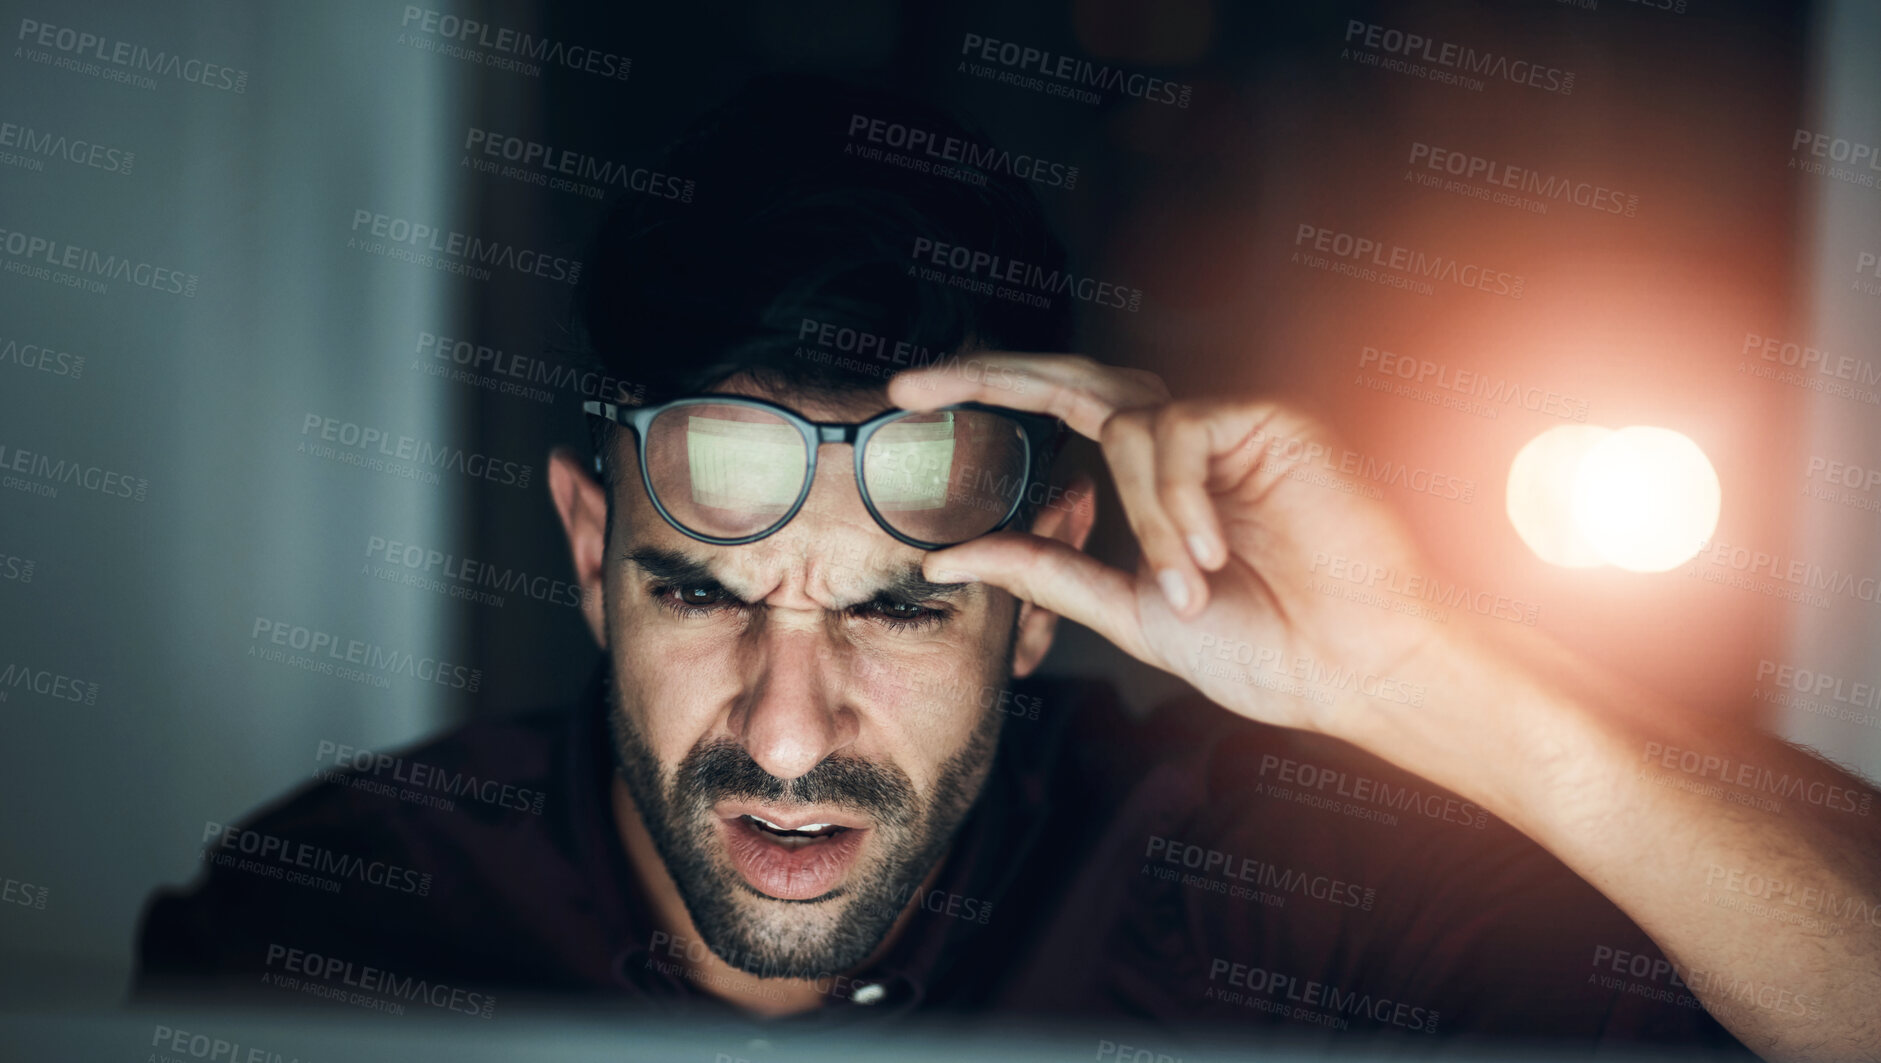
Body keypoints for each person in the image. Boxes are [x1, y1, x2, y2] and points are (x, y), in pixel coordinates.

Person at [136, 73, 1879, 1059]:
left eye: (899, 607)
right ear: (593, 546)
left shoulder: (1259, 899)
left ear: (1045, 583)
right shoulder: (329, 925)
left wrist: (1428, 673)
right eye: (703, 594)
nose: (796, 731)